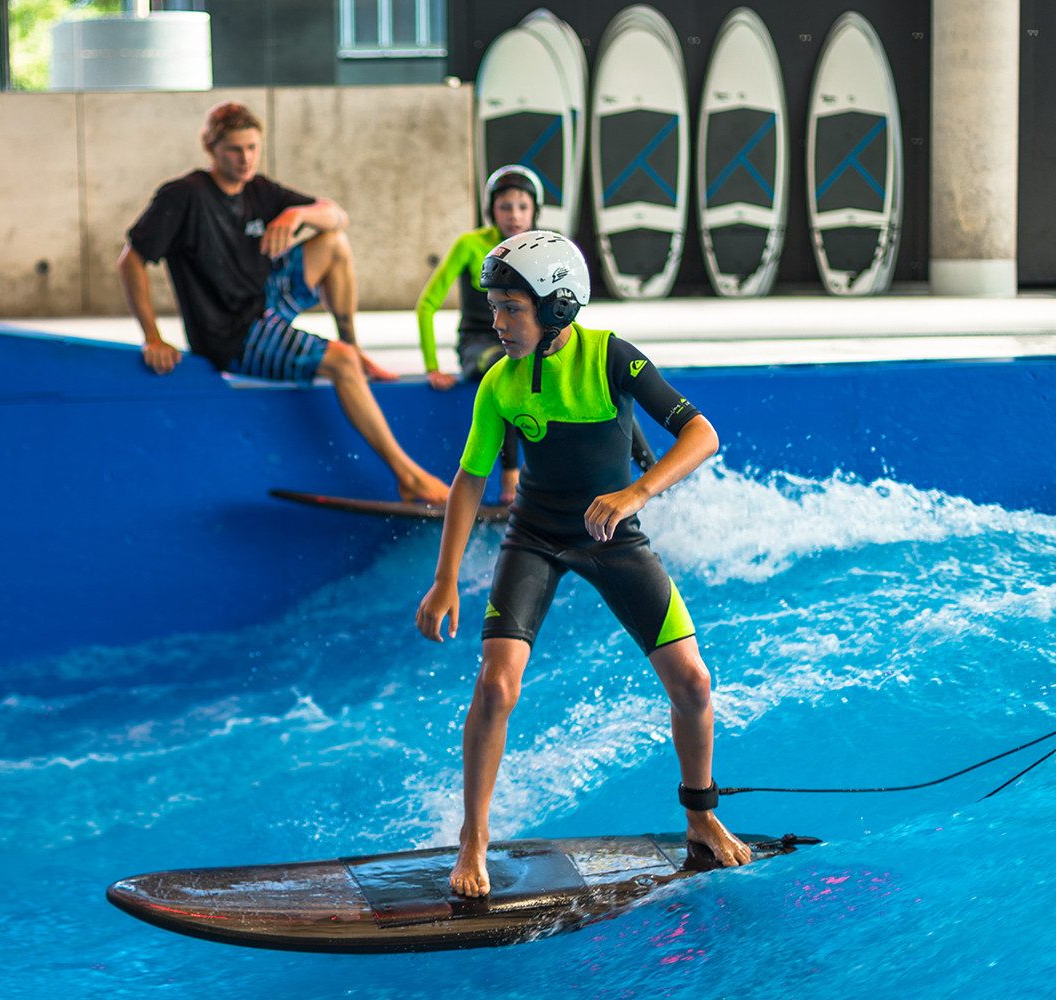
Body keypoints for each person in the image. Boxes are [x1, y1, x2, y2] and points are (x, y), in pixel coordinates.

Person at [413, 230, 749, 898]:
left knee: (693, 682)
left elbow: (702, 433)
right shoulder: (500, 384)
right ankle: (473, 837)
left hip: (614, 536)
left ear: (559, 306)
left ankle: (702, 817)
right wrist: (446, 578)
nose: (498, 322)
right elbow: (469, 482)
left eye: (513, 308)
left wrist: (634, 494)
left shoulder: (612, 358)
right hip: (534, 536)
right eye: (495, 307)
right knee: (496, 686)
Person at [119, 101, 448, 504]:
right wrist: (152, 336)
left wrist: (294, 216)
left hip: (265, 302)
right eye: (234, 150)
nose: (245, 159)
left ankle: (357, 349)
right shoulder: (184, 196)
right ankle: (408, 476)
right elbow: (131, 259)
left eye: (253, 148)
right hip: (232, 335)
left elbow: (336, 215)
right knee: (339, 363)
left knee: (333, 244)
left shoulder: (259, 190)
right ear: (210, 148)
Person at [415, 166, 655, 505]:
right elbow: (426, 304)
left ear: (535, 211)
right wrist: (431, 365)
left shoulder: (544, 247)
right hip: (481, 345)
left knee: (607, 381)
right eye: (505, 207)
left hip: (532, 341)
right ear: (491, 210)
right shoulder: (470, 245)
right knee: (510, 366)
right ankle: (510, 478)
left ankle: (650, 470)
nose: (514, 216)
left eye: (522, 207)